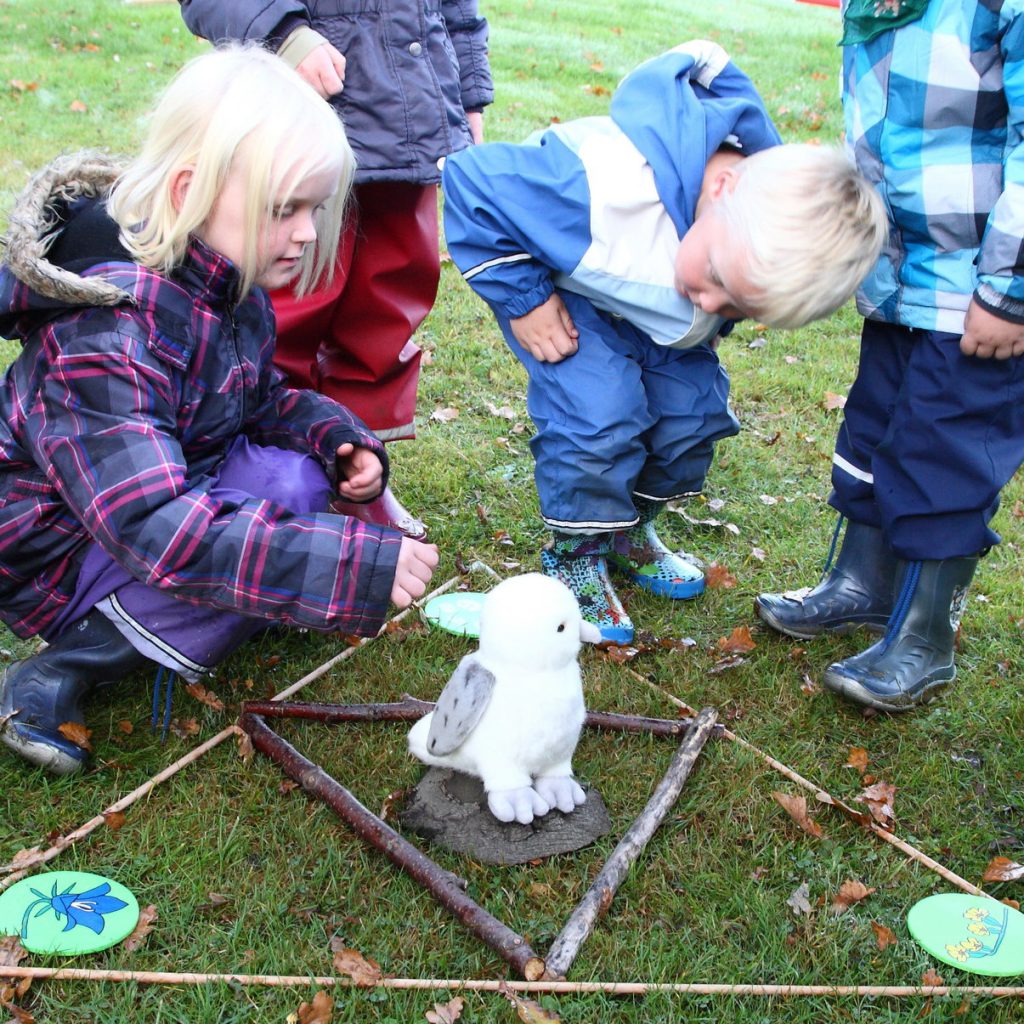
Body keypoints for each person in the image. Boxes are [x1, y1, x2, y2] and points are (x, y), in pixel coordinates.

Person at [0, 45, 439, 776]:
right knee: (251, 538)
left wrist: (337, 441)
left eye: (316, 209)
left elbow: (255, 398)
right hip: (58, 550)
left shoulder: (219, 280)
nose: (306, 232)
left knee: (298, 484)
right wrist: (341, 567)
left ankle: (198, 608)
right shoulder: (104, 332)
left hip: (167, 486)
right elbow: (156, 526)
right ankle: (68, 663)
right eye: (283, 208)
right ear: (187, 192)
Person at [441, 40, 887, 644]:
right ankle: (575, 551)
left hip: (652, 312)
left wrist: (714, 299)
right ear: (723, 188)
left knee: (692, 415)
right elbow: (473, 182)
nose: (713, 306)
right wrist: (525, 300)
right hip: (574, 299)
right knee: (600, 415)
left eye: (740, 310)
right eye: (721, 283)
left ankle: (625, 529)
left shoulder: (741, 237)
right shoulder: (604, 188)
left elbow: (711, 292)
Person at [755, 0, 1024, 711]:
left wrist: (1010, 287)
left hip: (979, 291)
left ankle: (925, 638)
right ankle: (863, 586)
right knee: (872, 433)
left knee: (946, 451)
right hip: (901, 277)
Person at [179, 0, 495, 540]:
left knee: (386, 303)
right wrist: (284, 34)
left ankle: (358, 468)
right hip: (304, 107)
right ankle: (268, 465)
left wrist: (468, 93)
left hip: (409, 116)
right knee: (288, 304)